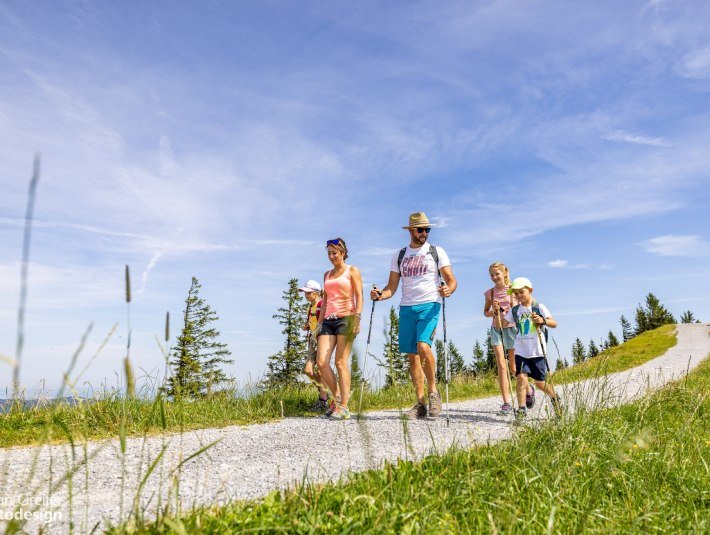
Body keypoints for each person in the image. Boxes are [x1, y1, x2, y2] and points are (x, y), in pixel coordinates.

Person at [370, 212, 457, 419]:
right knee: (412, 357)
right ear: (411, 230)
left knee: (423, 346)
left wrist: (449, 290)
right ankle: (419, 404)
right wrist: (380, 295)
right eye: (420, 230)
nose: (425, 233)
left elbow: (451, 280)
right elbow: (391, 287)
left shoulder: (436, 251)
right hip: (407, 307)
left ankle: (433, 393)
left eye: (428, 229)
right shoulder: (399, 255)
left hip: (430, 304)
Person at [316, 238, 363, 420]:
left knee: (340, 362)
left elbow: (359, 296)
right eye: (329, 253)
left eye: (334, 252)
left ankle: (344, 406)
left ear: (343, 252)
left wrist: (357, 319)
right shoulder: (327, 274)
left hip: (347, 318)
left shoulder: (352, 271)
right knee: (321, 362)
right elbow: (326, 300)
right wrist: (319, 323)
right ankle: (336, 400)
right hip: (328, 319)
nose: (331, 256)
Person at [502, 277, 561, 420]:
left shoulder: (538, 307)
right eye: (515, 293)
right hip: (521, 351)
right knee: (521, 378)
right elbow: (503, 324)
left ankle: (555, 398)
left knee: (540, 384)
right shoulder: (515, 310)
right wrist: (500, 311)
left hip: (537, 351)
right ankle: (521, 411)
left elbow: (554, 323)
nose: (518, 296)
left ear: (530, 290)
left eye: (521, 292)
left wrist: (543, 321)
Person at [483, 262, 535, 415]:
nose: (494, 277)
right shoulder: (489, 293)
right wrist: (494, 311)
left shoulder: (514, 289)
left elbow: (526, 306)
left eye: (497, 274)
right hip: (497, 329)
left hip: (512, 329)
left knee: (514, 368)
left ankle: (529, 389)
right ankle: (506, 402)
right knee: (501, 365)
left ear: (504, 273)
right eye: (491, 275)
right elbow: (486, 312)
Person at [298, 280, 328, 411]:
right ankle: (324, 391)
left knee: (321, 370)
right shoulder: (310, 308)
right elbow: (310, 323)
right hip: (312, 341)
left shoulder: (322, 304)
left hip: (322, 339)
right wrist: (307, 326)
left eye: (308, 293)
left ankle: (323, 400)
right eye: (305, 293)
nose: (306, 295)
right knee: (308, 371)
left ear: (316, 293)